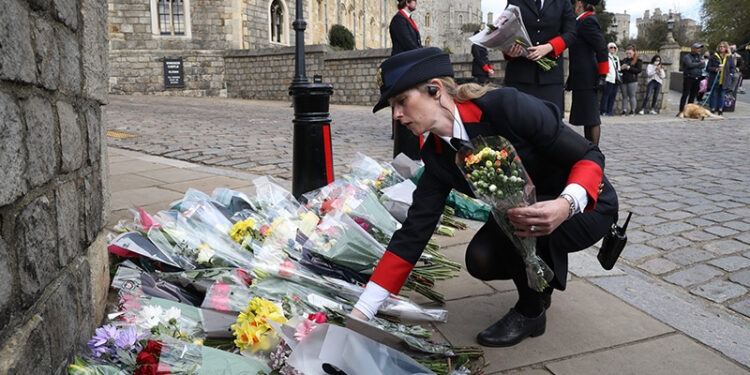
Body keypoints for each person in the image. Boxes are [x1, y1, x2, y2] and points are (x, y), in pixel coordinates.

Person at [354, 47, 618, 348]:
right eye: (393, 106)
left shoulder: (506, 107)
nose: (397, 114)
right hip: (525, 216)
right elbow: (415, 230)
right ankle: (540, 280)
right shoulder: (437, 153)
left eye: (402, 101)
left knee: (515, 220)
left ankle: (531, 312)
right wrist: (363, 309)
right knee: (480, 259)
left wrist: (564, 205)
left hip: (585, 203)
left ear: (435, 90)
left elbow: (590, 153)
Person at [503, 0, 577, 115]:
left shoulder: (563, 2)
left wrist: (550, 46)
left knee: (551, 124)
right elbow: (505, 30)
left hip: (550, 78)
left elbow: (571, 33)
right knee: (519, 123)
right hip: (520, 75)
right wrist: (509, 51)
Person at [567, 0, 608, 145]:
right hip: (581, 76)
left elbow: (602, 47)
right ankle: (589, 147)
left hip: (588, 77)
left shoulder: (588, 21)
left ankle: (594, 150)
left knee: (592, 117)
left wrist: (603, 75)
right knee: (586, 117)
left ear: (579, 5)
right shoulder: (581, 21)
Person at [389, 0, 423, 159]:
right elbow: (409, 44)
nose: (417, 3)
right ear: (407, 2)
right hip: (403, 69)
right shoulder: (398, 20)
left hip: (410, 68)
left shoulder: (408, 19)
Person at [707, 41, 736, 116]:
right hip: (715, 79)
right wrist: (716, 69)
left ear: (726, 48)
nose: (721, 48)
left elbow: (732, 67)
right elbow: (708, 68)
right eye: (720, 46)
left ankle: (720, 109)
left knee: (722, 95)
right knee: (714, 94)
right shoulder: (714, 56)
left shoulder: (729, 57)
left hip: (725, 79)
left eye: (723, 47)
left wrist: (731, 74)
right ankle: (712, 109)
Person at [679, 43, 706, 114]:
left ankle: (689, 110)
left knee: (693, 95)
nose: (699, 49)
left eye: (700, 48)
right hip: (689, 77)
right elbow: (689, 65)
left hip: (697, 78)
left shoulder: (700, 56)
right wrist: (699, 63)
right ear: (693, 49)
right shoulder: (687, 56)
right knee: (685, 94)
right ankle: (681, 110)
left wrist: (696, 63)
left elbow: (703, 65)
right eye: (697, 48)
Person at [619, 45, 641, 116]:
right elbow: (620, 69)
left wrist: (629, 68)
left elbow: (638, 70)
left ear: (634, 53)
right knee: (624, 96)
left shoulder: (637, 60)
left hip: (632, 80)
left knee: (632, 96)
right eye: (627, 53)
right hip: (624, 80)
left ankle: (632, 110)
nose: (628, 55)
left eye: (630, 53)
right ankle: (624, 110)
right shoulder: (624, 60)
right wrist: (621, 68)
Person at [600, 42, 621, 116]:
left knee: (612, 96)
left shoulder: (616, 57)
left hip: (615, 79)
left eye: (614, 48)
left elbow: (618, 68)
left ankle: (609, 110)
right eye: (611, 47)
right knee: (606, 95)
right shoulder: (606, 57)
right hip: (608, 79)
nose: (613, 49)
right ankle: (603, 111)